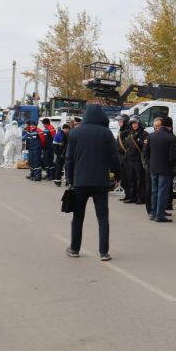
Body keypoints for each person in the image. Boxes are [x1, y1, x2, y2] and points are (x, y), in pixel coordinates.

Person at [65, 104, 121, 261]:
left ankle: (74, 249)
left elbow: (69, 159)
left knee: (78, 217)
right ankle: (104, 252)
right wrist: (117, 176)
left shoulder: (75, 133)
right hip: (100, 182)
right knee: (103, 218)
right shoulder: (106, 133)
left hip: (80, 182)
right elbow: (114, 158)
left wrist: (70, 179)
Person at [145, 115, 176, 222]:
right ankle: (159, 215)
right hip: (165, 169)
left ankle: (153, 213)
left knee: (154, 191)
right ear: (170, 126)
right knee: (162, 192)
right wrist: (174, 167)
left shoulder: (151, 136)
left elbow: (146, 153)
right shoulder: (171, 137)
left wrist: (151, 163)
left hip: (153, 167)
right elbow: (172, 156)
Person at [121, 115, 147, 204]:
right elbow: (127, 146)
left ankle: (141, 198)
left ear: (139, 123)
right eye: (133, 124)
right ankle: (133, 197)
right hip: (129, 159)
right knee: (131, 179)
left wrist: (139, 140)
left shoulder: (144, 133)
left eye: (136, 123)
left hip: (138, 160)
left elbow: (145, 147)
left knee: (140, 180)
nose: (134, 125)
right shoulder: (130, 133)